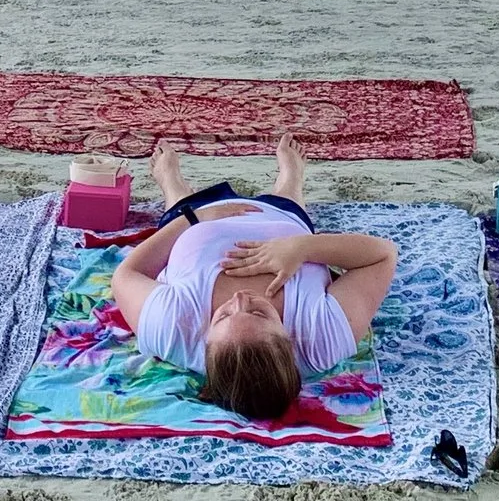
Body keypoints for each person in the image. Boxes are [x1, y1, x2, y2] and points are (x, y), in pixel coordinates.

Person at [111, 135, 397, 423]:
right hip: (283, 217)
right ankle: (291, 179)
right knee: (290, 200)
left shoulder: (172, 328)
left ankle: (172, 183)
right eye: (259, 313)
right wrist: (301, 247)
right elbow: (383, 255)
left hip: (196, 222)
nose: (240, 300)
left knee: (178, 201)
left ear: (205, 343)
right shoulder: (322, 339)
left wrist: (193, 217)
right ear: (289, 340)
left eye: (222, 317)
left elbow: (127, 275)